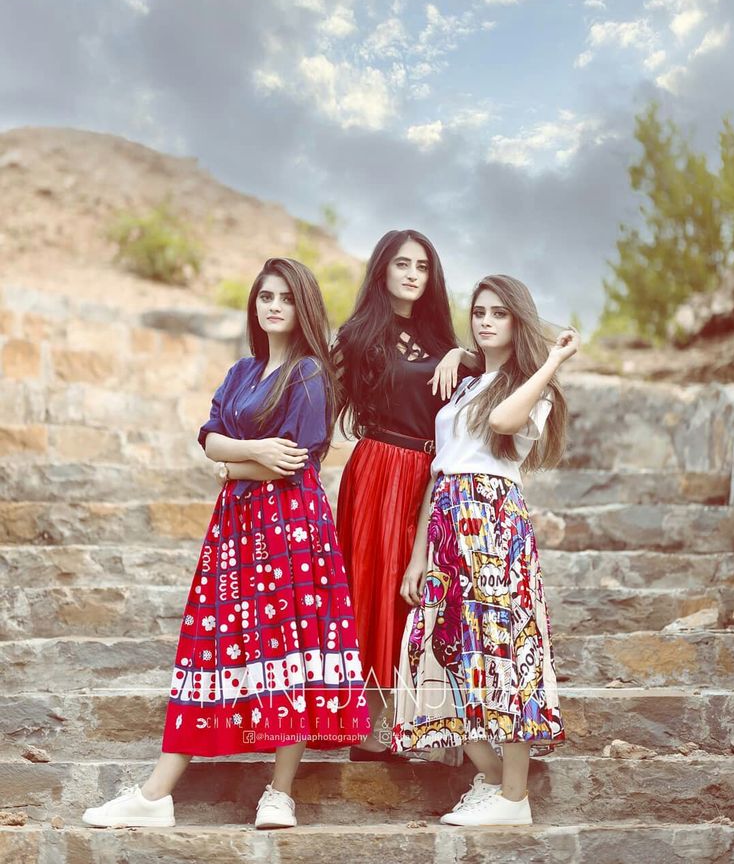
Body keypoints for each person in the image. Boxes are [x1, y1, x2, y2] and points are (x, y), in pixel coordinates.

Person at [83, 258, 371, 831]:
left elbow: (295, 460)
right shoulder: (242, 371)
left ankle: (279, 793)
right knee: (209, 646)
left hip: (290, 528)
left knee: (290, 653)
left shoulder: (310, 374)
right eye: (265, 296)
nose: (273, 307)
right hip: (237, 531)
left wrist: (241, 461)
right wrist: (248, 455)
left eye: (286, 298)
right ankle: (156, 796)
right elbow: (209, 435)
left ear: (303, 307)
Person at [392, 274, 578, 826]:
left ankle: (513, 798)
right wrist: (419, 553)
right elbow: (438, 469)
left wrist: (550, 362)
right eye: (479, 312)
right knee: (437, 649)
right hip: (449, 517)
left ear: (518, 321)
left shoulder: (531, 387)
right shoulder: (469, 382)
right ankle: (494, 782)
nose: (487, 320)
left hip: (494, 523)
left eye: (499, 312)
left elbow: (502, 423)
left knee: (502, 655)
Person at [333, 229, 476, 760]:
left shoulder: (446, 342)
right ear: (382, 271)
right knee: (374, 587)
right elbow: (322, 401)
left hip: (433, 475)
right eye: (402, 264)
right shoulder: (356, 336)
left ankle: (420, 717)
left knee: (421, 593)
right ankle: (371, 721)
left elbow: (500, 369)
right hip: (377, 468)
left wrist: (460, 352)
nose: (413, 273)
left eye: (422, 265)